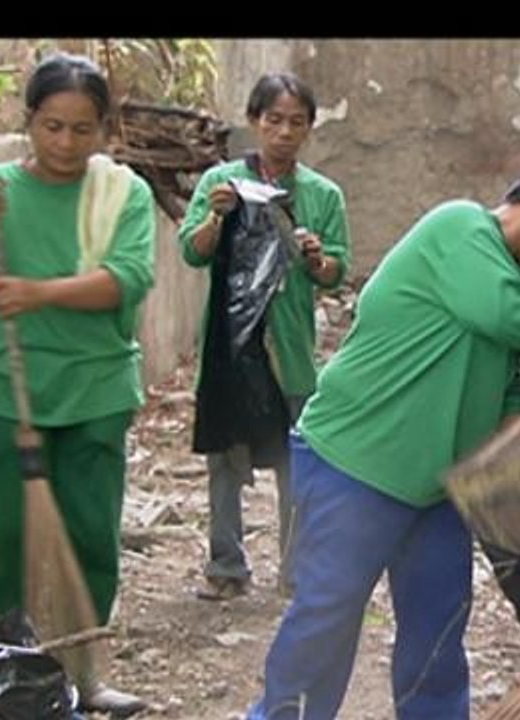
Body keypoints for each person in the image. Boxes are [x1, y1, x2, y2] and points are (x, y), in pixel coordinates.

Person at [247, 159, 520, 720]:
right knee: (327, 617)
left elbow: (503, 378)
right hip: (356, 465)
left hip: (436, 488)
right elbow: (499, 314)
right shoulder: (460, 230)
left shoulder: (506, 275)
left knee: (439, 621)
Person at [0, 52, 154, 715]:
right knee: (4, 541)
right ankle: (14, 669)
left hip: (95, 392)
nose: (66, 143)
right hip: (5, 394)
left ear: (105, 130)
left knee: (90, 536)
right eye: (53, 126)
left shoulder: (122, 194)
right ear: (30, 121)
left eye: (83, 129)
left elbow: (127, 278)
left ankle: (84, 675)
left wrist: (38, 292)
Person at [178, 72, 350, 600]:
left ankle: (295, 569)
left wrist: (319, 259)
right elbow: (193, 250)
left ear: (309, 130)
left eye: (296, 122)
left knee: (294, 462)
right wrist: (214, 217)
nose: (283, 132)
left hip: (290, 346)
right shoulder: (223, 183)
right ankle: (225, 565)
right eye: (273, 120)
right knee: (226, 460)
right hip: (232, 345)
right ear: (254, 122)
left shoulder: (322, 195)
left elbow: (337, 272)